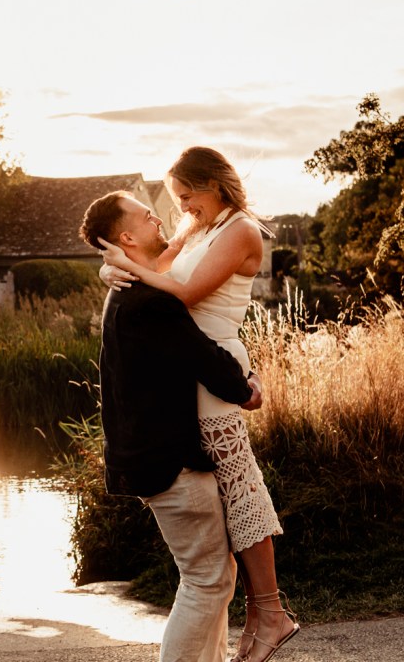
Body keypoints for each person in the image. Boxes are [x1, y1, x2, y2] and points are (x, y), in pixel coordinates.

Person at [99, 146, 299, 662]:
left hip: (214, 368)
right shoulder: (197, 227)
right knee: (231, 497)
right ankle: (263, 612)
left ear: (213, 183)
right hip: (195, 371)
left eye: (188, 196)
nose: (182, 208)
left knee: (240, 486)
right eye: (177, 201)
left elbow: (179, 294)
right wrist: (115, 269)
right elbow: (155, 267)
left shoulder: (240, 230)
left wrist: (127, 265)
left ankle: (270, 611)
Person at [79, 190, 263, 662]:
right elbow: (200, 356)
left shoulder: (126, 289)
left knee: (214, 578)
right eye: (147, 217)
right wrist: (246, 388)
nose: (159, 220)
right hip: (170, 463)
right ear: (126, 236)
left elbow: (173, 249)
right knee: (206, 580)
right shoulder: (147, 301)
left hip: (152, 458)